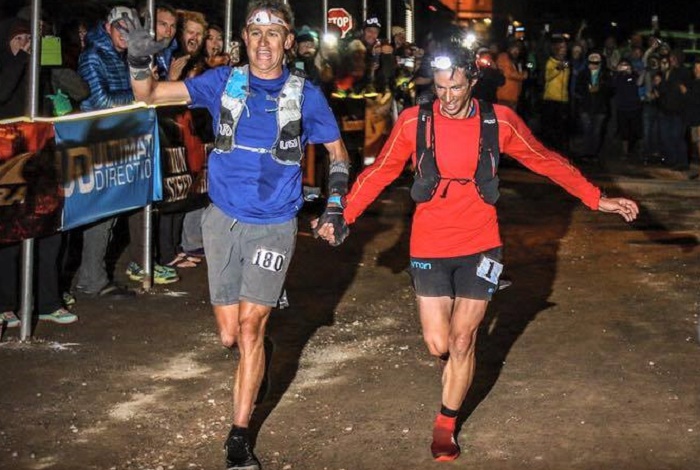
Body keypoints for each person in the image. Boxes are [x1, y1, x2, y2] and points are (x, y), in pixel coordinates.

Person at [315, 46, 639, 462]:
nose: (447, 97)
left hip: (481, 241)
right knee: (438, 344)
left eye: (456, 87)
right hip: (430, 241)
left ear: (472, 82)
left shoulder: (498, 121)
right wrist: (343, 214)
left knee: (463, 339)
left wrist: (597, 199)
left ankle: (446, 424)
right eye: (440, 88)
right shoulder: (415, 120)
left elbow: (544, 160)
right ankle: (455, 372)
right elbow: (381, 171)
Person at [120, 1, 350, 468]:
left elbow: (338, 154)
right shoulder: (223, 82)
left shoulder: (306, 94)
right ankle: (256, 352)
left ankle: (239, 435)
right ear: (244, 38)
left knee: (250, 326)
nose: (264, 43)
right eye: (255, 33)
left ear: (288, 41)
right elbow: (148, 95)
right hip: (221, 220)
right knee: (230, 336)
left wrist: (335, 204)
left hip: (274, 223)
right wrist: (139, 61)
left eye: (274, 33)